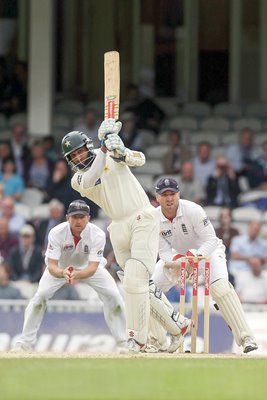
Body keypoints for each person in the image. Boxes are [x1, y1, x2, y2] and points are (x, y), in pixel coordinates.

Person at [60, 120, 192, 353]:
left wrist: (122, 151)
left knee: (135, 278)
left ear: (87, 147)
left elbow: (140, 159)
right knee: (137, 284)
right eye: (74, 156)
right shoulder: (78, 179)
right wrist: (103, 149)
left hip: (142, 217)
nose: (79, 158)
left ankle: (137, 339)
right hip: (118, 226)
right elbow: (92, 177)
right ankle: (178, 325)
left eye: (80, 151)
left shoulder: (110, 155)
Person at [151, 177, 258, 354]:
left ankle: (246, 338)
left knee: (221, 288)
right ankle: (156, 340)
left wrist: (195, 256)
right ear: (158, 197)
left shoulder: (193, 210)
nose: (169, 198)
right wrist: (180, 261)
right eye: (165, 195)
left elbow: (210, 240)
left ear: (179, 194)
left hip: (207, 254)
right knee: (150, 289)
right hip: (176, 259)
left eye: (173, 194)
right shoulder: (153, 218)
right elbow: (163, 251)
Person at [12, 200, 127, 353]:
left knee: (114, 296)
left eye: (82, 217)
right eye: (74, 217)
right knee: (40, 296)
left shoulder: (97, 234)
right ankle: (24, 343)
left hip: (89, 268)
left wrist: (77, 274)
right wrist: (62, 273)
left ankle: (123, 343)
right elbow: (51, 265)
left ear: (89, 218)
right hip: (60, 267)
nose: (78, 221)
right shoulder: (56, 232)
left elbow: (92, 268)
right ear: (67, 218)